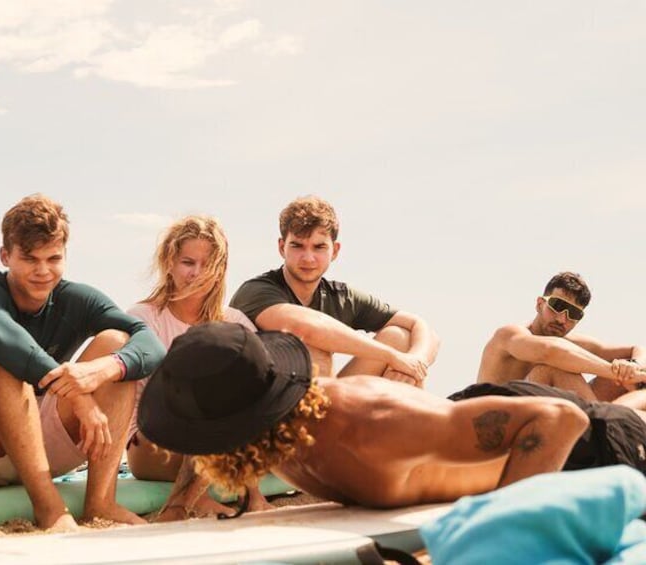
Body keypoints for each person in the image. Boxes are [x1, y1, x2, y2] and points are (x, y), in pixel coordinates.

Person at [137, 322, 646, 510]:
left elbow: (558, 422)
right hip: (472, 418)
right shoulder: (282, 436)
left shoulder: (374, 427)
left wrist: (499, 536)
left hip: (590, 453)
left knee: (617, 416)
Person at [0, 194, 166, 532]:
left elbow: (149, 343)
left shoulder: (77, 298)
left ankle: (100, 503)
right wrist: (78, 396)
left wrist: (105, 368)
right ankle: (49, 507)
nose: (43, 271)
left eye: (53, 258)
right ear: (5, 255)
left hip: (38, 438)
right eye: (29, 258)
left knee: (116, 345)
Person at [126, 215, 272, 521]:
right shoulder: (145, 317)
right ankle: (182, 505)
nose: (197, 273)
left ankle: (251, 494)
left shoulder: (233, 321)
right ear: (169, 263)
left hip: (221, 442)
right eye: (187, 262)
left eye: (207, 264)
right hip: (151, 442)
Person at [230, 196, 439, 386]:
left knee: (399, 337)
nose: (308, 258)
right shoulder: (257, 291)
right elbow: (305, 328)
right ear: (281, 247)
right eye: (297, 246)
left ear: (335, 251)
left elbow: (420, 326)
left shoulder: (341, 296)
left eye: (319, 247)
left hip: (327, 398)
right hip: (267, 408)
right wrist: (393, 357)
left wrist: (416, 362)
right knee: (313, 351)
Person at [477, 271, 646, 406]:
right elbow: (550, 351)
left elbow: (636, 349)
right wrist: (615, 372)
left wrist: (633, 368)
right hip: (494, 424)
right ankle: (604, 431)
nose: (561, 319)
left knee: (622, 377)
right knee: (554, 368)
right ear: (539, 304)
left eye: (573, 314)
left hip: (537, 419)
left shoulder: (569, 343)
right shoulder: (510, 334)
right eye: (557, 306)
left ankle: (619, 431)